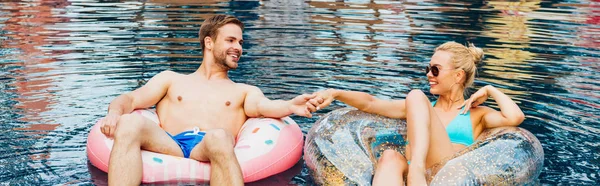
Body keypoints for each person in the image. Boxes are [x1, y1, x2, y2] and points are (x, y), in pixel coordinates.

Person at [98, 15, 318, 186]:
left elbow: (264, 106)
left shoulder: (243, 91)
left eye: (240, 42)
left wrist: (291, 105)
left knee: (219, 136)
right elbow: (130, 98)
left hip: (208, 146)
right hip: (170, 143)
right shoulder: (171, 80)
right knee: (129, 123)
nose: (238, 48)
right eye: (230, 40)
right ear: (209, 42)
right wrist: (114, 114)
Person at [310, 42, 525, 185]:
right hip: (413, 170)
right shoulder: (421, 108)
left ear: (458, 76)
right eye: (427, 69)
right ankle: (415, 173)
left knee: (414, 95)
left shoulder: (476, 114)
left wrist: (490, 90)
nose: (429, 75)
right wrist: (335, 93)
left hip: (446, 175)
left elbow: (515, 118)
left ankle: (417, 173)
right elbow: (370, 103)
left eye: (436, 70)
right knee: (390, 157)